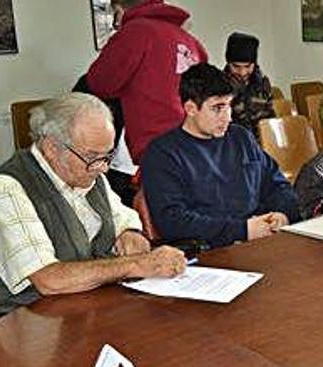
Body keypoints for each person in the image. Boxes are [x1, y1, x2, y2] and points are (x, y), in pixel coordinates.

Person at [0, 94, 187, 320]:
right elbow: (48, 280)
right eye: (93, 156)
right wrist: (135, 264)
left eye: (107, 156)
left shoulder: (88, 170)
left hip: (85, 311)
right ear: (51, 148)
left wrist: (130, 233)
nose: (104, 168)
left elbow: (122, 218)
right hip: (26, 324)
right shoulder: (6, 189)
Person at [141, 63, 301, 248]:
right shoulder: (163, 153)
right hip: (210, 251)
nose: (227, 117)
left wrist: (282, 214)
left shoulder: (241, 137)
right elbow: (173, 222)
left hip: (259, 241)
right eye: (217, 108)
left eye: (229, 106)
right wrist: (243, 230)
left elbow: (278, 184)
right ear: (191, 108)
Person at [86, 0, 207, 168]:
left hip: (158, 146)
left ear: (121, 10)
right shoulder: (191, 42)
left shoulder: (134, 33)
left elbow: (99, 83)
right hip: (198, 143)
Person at [223, 32, 275, 140]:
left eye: (247, 66)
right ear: (228, 63)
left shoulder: (263, 85)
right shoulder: (218, 86)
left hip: (260, 146)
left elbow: (270, 122)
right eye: (236, 66)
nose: (242, 72)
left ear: (254, 64)